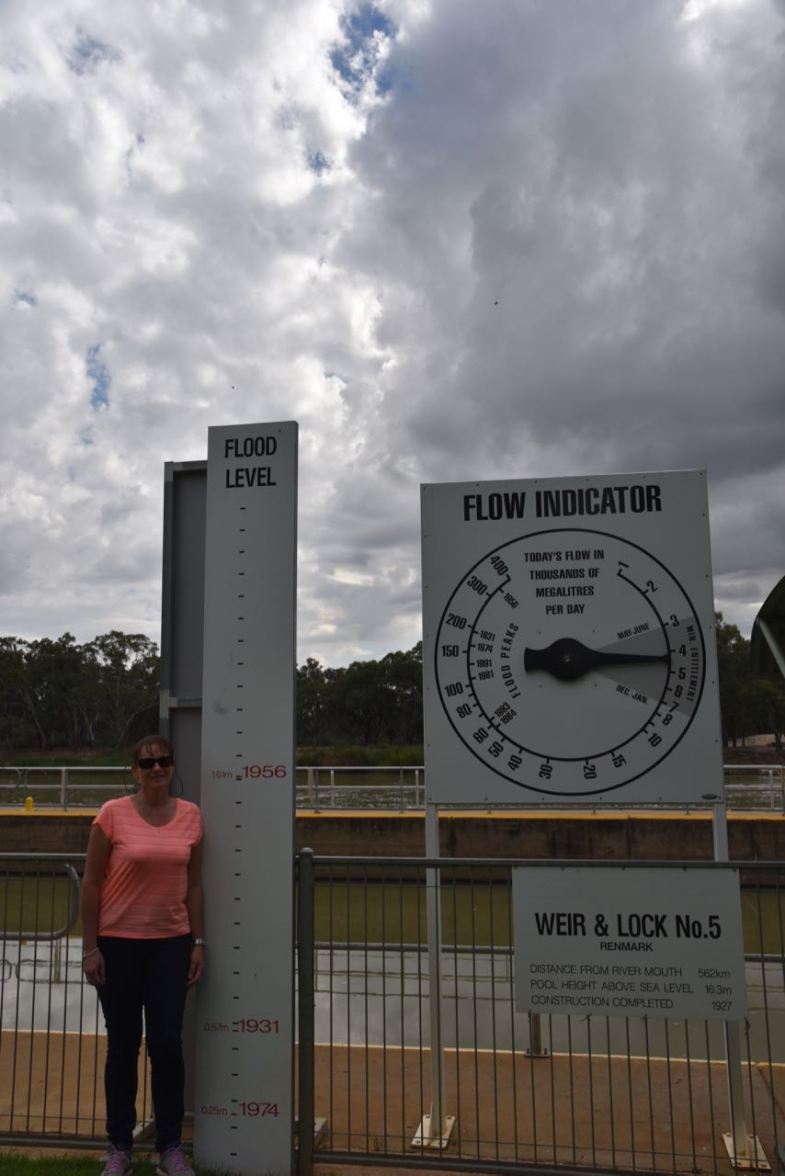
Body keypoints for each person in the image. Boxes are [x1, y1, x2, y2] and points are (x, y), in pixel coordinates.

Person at [81, 735, 205, 1176]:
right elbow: (91, 883)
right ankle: (119, 1147)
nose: (156, 769)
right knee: (123, 1046)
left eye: (163, 761)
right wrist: (91, 947)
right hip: (118, 945)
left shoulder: (191, 816)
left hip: (171, 944)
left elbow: (194, 885)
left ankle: (170, 1148)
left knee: (167, 1046)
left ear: (172, 767)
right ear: (134, 770)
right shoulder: (111, 814)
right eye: (147, 763)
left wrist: (199, 943)